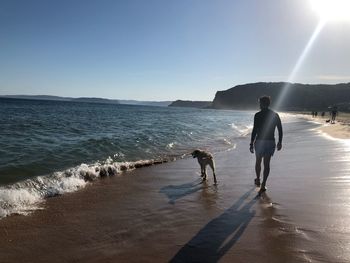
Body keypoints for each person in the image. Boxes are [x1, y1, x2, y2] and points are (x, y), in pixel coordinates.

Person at [250, 96, 283, 195]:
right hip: (270, 141)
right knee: (267, 164)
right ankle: (263, 184)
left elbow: (254, 130)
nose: (259, 105)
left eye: (260, 103)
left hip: (260, 141)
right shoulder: (275, 115)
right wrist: (280, 142)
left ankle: (258, 179)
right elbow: (280, 129)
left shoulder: (257, 115)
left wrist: (251, 143)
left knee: (258, 162)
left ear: (263, 104)